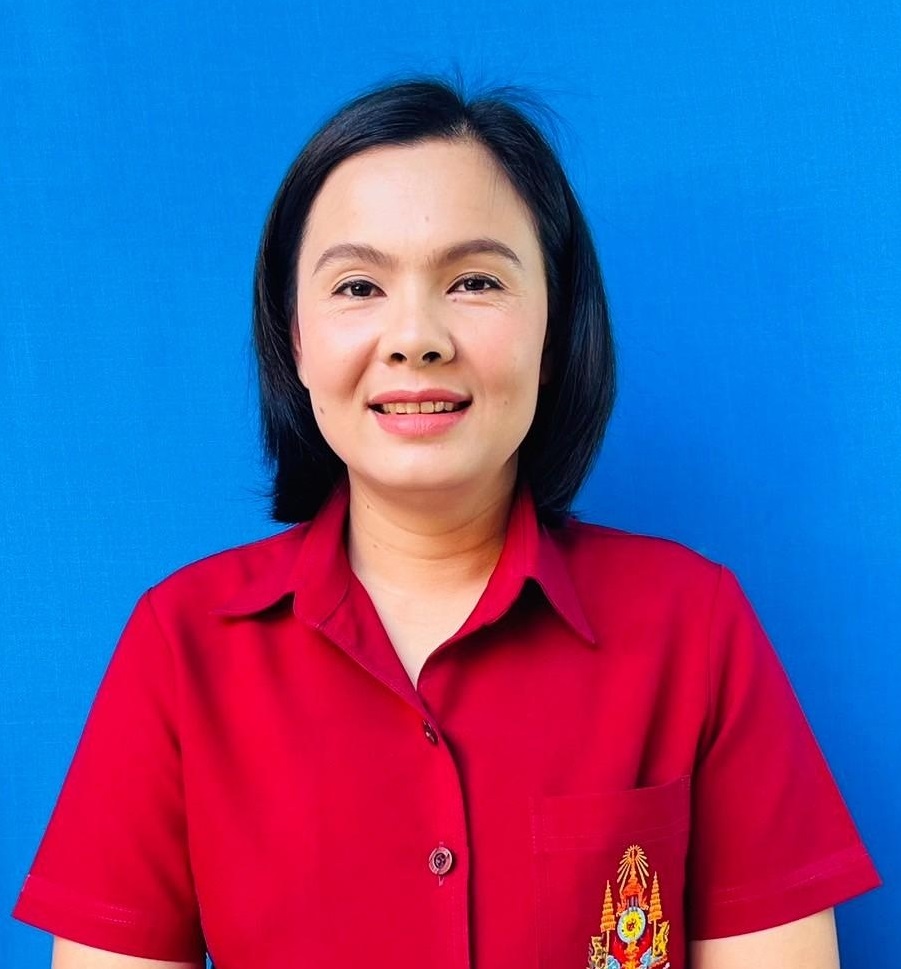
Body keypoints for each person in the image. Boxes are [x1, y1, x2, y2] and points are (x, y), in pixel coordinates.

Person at [12, 75, 881, 969]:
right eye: (358, 286)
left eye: (473, 280)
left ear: (554, 330)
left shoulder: (692, 625)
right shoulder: (183, 644)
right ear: (295, 338)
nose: (415, 337)